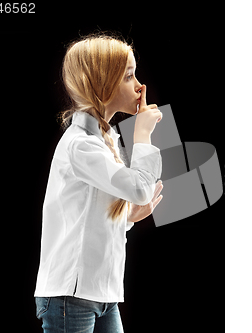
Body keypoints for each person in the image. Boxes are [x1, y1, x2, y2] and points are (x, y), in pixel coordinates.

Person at [34, 34, 163, 333]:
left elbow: (87, 216)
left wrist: (128, 218)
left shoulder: (103, 141)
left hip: (100, 294)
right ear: (102, 83)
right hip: (71, 297)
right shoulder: (81, 146)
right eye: (129, 76)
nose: (140, 86)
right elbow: (140, 188)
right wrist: (142, 133)